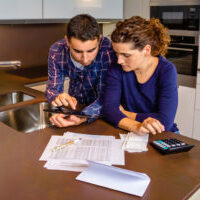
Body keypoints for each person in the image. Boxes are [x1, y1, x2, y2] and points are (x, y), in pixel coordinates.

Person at [102, 16, 179, 135]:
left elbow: (165, 121)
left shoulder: (166, 70)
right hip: (129, 131)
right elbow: (109, 110)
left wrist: (126, 114)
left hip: (162, 134)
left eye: (126, 55)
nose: (119, 60)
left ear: (146, 50)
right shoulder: (116, 67)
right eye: (116, 53)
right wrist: (136, 126)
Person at [45, 14, 116, 127]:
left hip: (102, 113)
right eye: (78, 51)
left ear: (99, 40)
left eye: (91, 50)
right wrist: (57, 97)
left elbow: (107, 97)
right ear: (67, 41)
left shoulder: (107, 50)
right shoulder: (57, 50)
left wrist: (83, 116)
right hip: (75, 109)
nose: (85, 59)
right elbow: (52, 89)